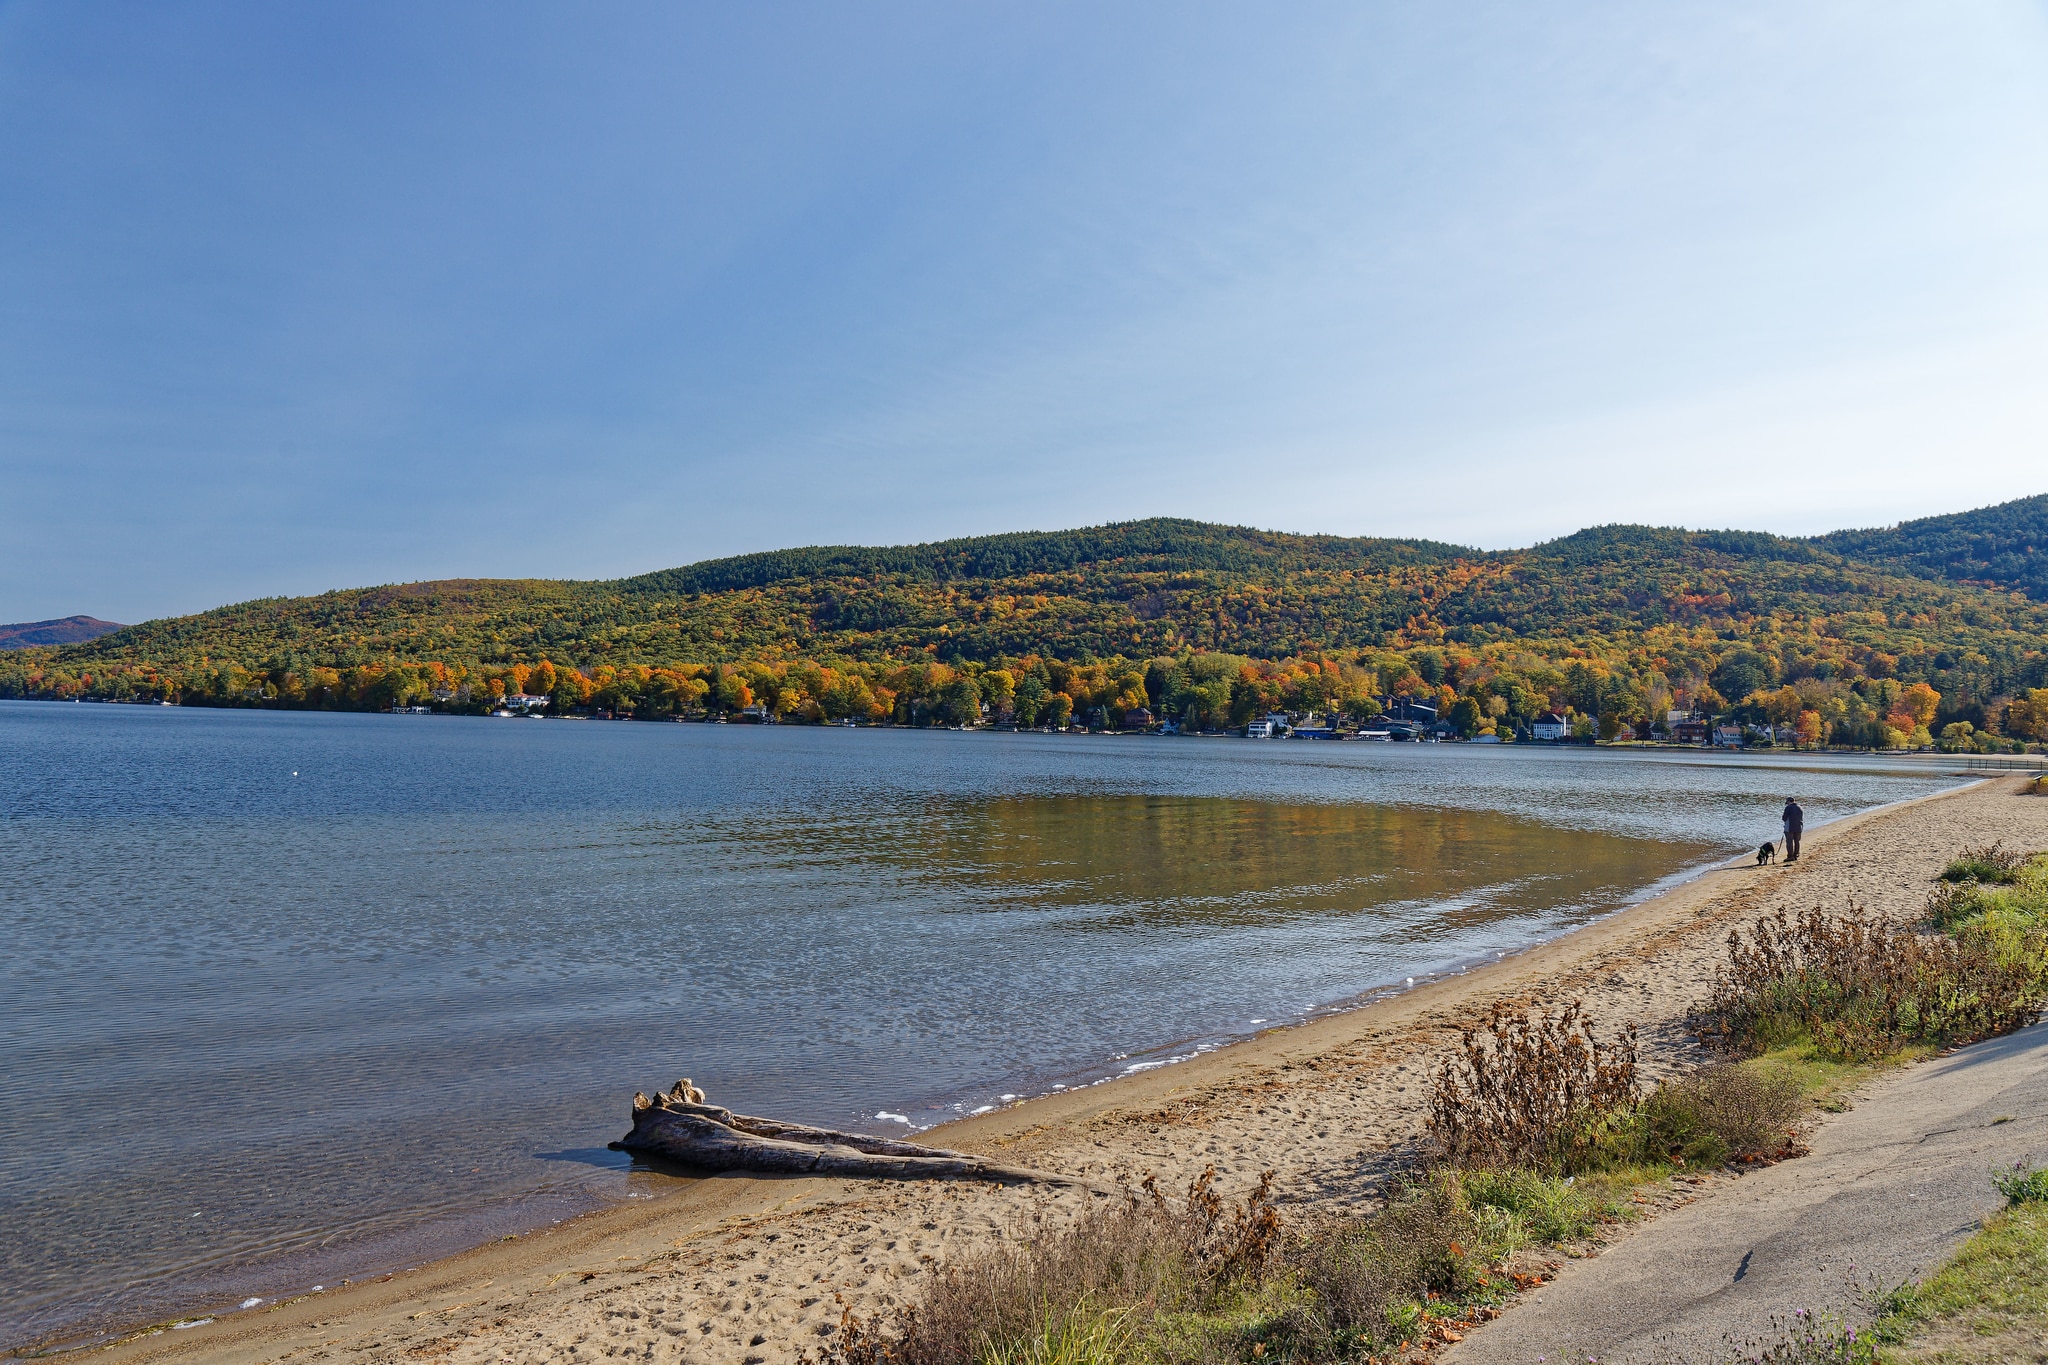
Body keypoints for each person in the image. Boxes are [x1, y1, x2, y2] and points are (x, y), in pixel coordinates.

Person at [1782, 797, 1804, 863]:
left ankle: (1790, 856)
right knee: (1797, 841)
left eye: (1787, 803)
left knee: (1789, 842)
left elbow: (1784, 818)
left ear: (1788, 802)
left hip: (1790, 827)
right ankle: (1796, 855)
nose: (1787, 804)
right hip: (1798, 827)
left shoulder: (1788, 808)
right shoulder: (1800, 807)